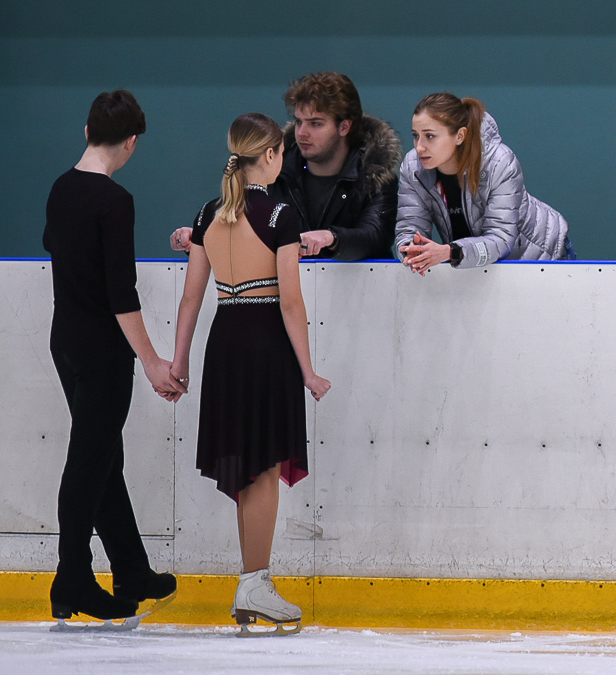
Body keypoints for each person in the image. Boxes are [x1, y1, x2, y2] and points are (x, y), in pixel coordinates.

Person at [170, 113, 330, 635]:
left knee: (248, 466)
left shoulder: (207, 213)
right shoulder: (281, 214)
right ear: (271, 155)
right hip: (265, 347)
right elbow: (290, 302)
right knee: (263, 468)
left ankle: (252, 579)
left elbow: (191, 297)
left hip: (224, 344)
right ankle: (255, 581)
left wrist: (179, 361)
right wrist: (308, 369)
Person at [43, 90, 181, 622]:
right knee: (90, 461)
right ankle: (71, 579)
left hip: (65, 344)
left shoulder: (60, 189)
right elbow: (121, 293)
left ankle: (131, 568)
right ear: (131, 142)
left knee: (103, 457)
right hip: (102, 350)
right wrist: (150, 361)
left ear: (85, 131)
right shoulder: (113, 201)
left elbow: (53, 245)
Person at [171, 72, 401, 261]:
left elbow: (374, 236)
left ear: (344, 127)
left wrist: (332, 237)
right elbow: (243, 221)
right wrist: (204, 236)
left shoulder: (376, 176)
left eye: (316, 124)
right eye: (299, 121)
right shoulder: (276, 170)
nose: (302, 133)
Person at [396, 92, 572, 274]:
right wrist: (412, 250)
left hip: (543, 257)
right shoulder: (413, 167)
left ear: (459, 136)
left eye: (430, 136)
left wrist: (450, 252)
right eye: (415, 136)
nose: (419, 147)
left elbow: (501, 239)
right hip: (476, 264)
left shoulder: (499, 162)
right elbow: (409, 227)